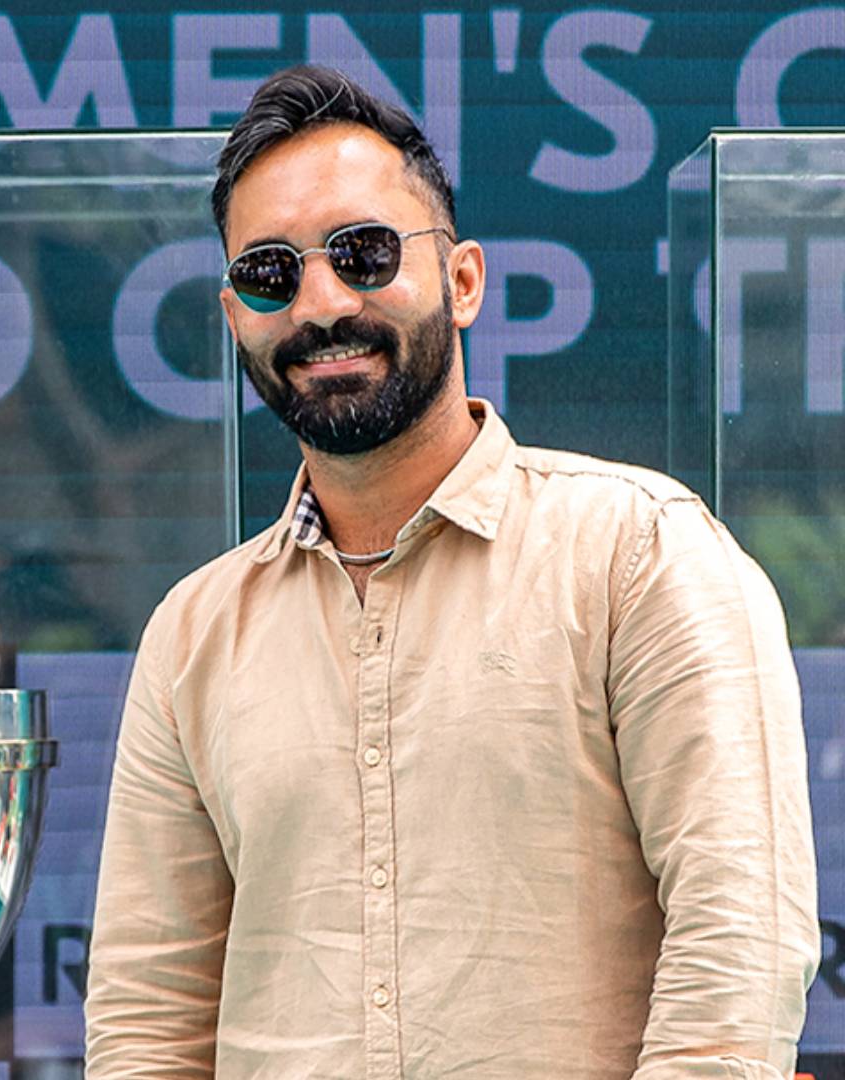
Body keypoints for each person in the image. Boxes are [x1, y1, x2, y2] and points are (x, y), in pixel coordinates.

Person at [84, 66, 817, 1079]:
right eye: (269, 272)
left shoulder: (640, 554)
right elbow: (147, 1019)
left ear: (464, 280)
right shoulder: (194, 632)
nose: (321, 303)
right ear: (233, 314)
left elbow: (739, 952)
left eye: (364, 252)